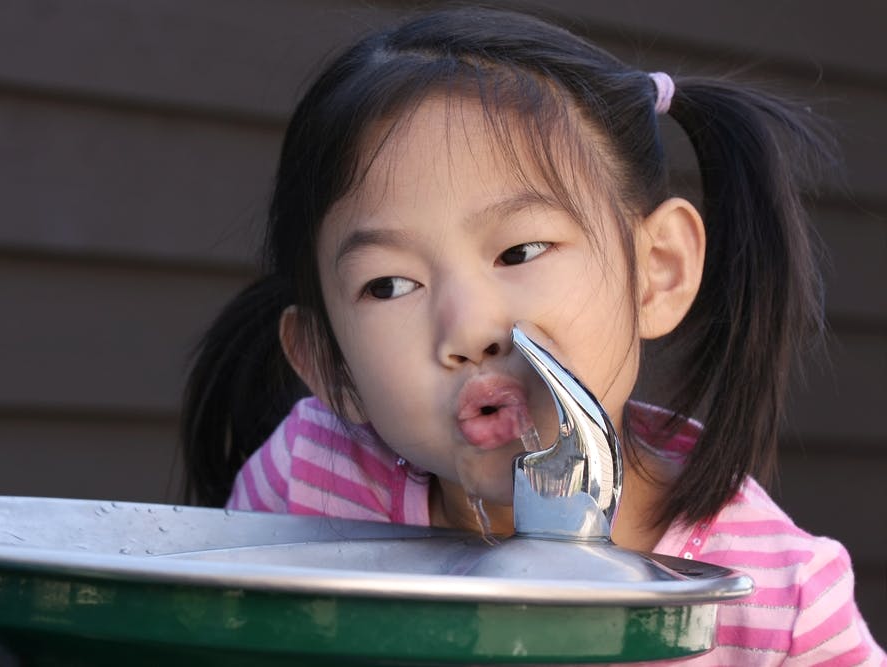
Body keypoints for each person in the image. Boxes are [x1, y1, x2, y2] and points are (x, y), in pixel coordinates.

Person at [181, 7, 886, 665]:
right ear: (331, 365)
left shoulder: (782, 603)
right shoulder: (307, 486)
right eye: (389, 285)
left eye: (519, 252)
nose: (468, 329)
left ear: (658, 272)